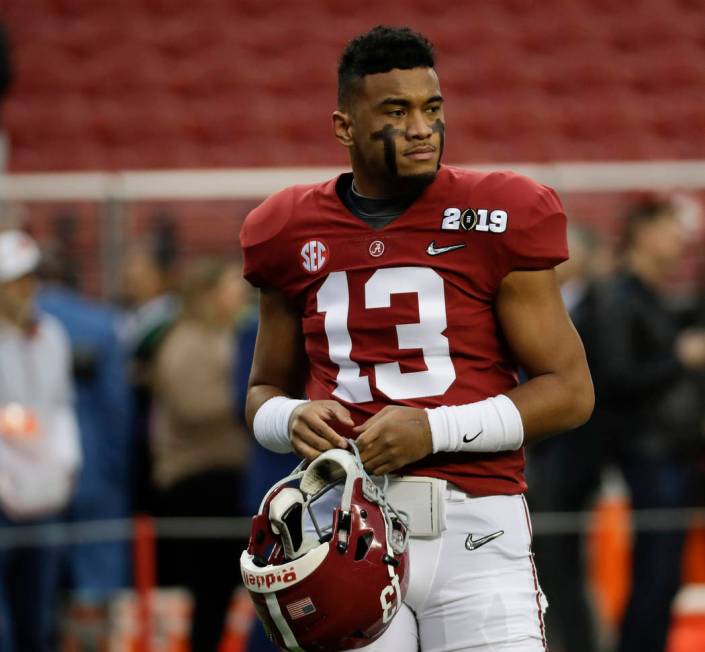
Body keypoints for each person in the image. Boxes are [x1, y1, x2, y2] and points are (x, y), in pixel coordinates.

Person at [239, 25, 594, 652]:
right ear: (345, 126)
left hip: (476, 528)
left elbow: (570, 393)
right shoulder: (287, 229)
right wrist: (290, 418)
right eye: (396, 111)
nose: (422, 127)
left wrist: (434, 430)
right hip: (348, 525)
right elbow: (262, 391)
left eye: (432, 109)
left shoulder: (497, 212)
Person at [590, 199, 705, 652]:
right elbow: (615, 377)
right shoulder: (619, 296)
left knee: (666, 572)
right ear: (643, 233)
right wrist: (680, 356)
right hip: (648, 454)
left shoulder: (652, 297)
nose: (680, 241)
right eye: (670, 229)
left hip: (672, 454)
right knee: (655, 574)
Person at [150, 257, 251, 652]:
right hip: (196, 481)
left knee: (226, 590)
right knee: (208, 591)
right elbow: (192, 405)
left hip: (227, 478)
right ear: (210, 294)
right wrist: (251, 403)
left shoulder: (226, 337)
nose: (240, 294)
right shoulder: (185, 341)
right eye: (231, 286)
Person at [37, 249, 132, 647]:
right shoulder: (101, 323)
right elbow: (117, 411)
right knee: (95, 583)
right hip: (95, 471)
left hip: (28, 475)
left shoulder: (19, 325)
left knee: (30, 582)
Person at [526, 225, 608, 652]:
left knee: (564, 566)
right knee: (542, 566)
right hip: (537, 460)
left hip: (572, 461)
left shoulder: (601, 307)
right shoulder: (531, 308)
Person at [0, 230, 81, 652]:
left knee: (39, 619)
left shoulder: (51, 335)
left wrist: (66, 467)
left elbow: (59, 408)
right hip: (5, 497)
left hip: (43, 497)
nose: (26, 289)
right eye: (16, 281)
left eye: (29, 279)